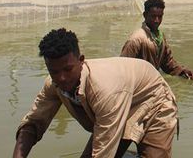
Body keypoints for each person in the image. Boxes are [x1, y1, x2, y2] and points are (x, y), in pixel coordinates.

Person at [12, 28, 178, 158]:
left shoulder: (104, 91)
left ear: (81, 61)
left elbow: (102, 152)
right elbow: (33, 123)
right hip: (119, 103)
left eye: (68, 69)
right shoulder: (53, 84)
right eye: (54, 71)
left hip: (154, 99)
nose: (61, 78)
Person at [121, 0, 193, 79]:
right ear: (145, 15)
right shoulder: (136, 39)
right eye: (153, 16)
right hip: (140, 83)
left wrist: (182, 71)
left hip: (152, 81)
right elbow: (123, 67)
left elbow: (167, 63)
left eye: (160, 16)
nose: (157, 20)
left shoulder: (160, 36)